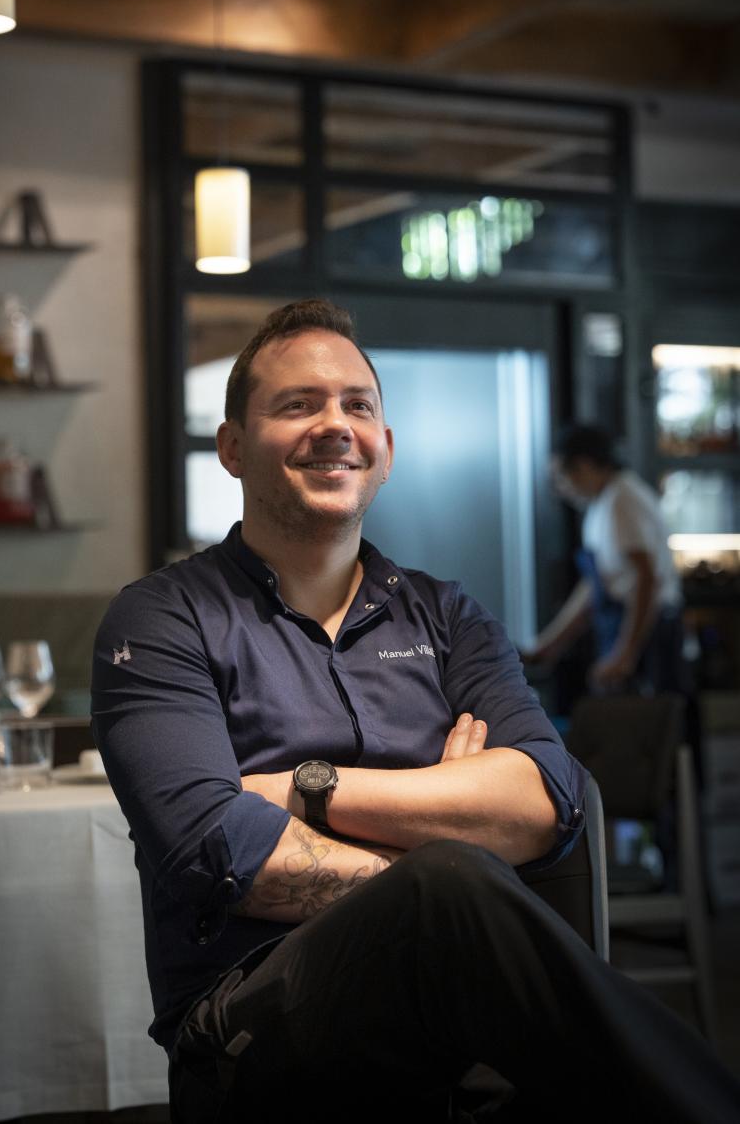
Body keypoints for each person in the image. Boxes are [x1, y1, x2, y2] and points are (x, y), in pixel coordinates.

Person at [91, 301, 740, 1123]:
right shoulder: (160, 618)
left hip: (465, 1018)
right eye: (297, 404)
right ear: (230, 447)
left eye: (358, 405)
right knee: (452, 884)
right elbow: (214, 849)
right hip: (255, 1025)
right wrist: (447, 862)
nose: (335, 425)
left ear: (386, 451)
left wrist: (304, 789)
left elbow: (548, 800)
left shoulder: (449, 616)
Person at [525, 423, 689, 699]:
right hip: (625, 626)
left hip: (649, 632)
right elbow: (594, 585)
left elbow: (647, 578)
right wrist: (549, 645)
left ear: (585, 465)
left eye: (562, 477)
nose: (561, 489)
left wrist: (625, 654)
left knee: (654, 725)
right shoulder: (602, 504)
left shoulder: (622, 499)